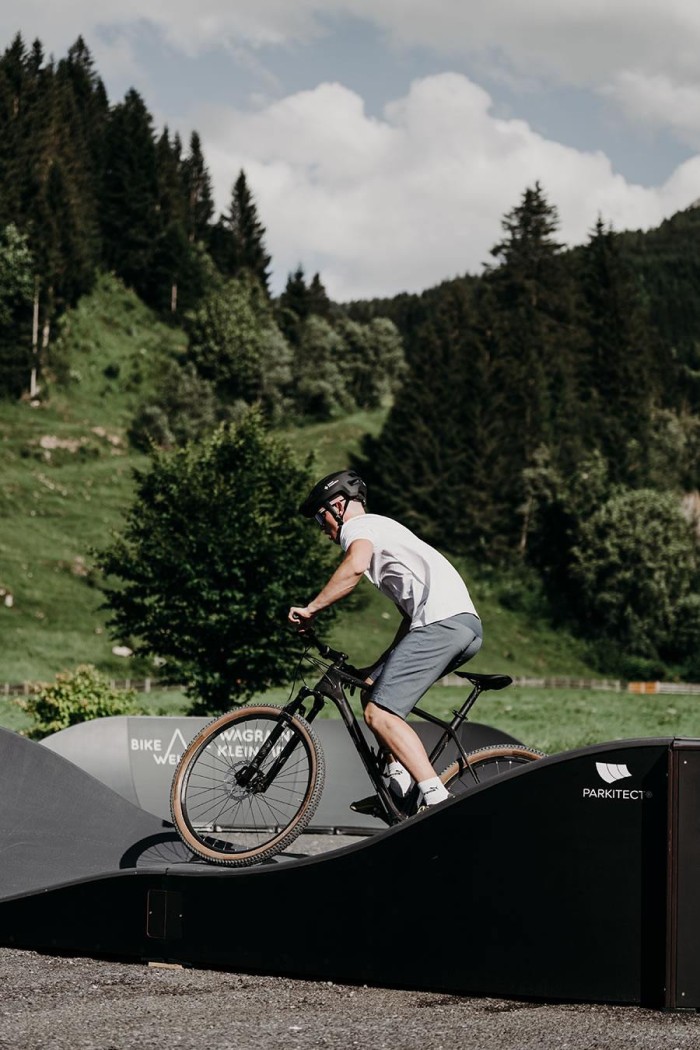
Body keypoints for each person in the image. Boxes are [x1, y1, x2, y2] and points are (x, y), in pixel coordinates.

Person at [288, 469, 482, 811]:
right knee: (371, 691)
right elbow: (411, 620)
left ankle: (436, 799)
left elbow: (354, 566)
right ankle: (398, 784)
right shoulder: (386, 531)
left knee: (380, 713)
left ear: (338, 505)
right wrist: (379, 667)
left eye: (321, 517)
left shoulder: (359, 527)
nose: (323, 529)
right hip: (458, 625)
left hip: (443, 623)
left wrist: (312, 609)